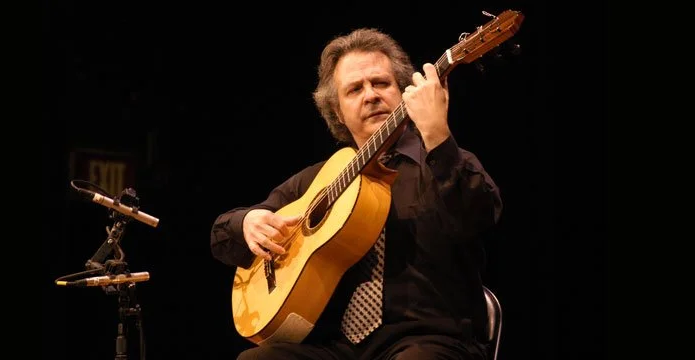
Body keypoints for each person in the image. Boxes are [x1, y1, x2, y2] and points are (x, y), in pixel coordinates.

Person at [209, 28, 503, 360]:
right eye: (354, 89)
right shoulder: (317, 180)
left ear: (404, 92)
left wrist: (436, 133)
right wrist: (246, 222)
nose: (371, 95)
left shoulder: (442, 161)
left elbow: (480, 217)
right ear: (337, 112)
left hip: (428, 340)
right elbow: (222, 238)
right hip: (339, 349)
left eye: (381, 83)